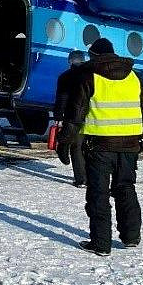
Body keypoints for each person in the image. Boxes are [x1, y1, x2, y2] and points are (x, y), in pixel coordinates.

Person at [58, 38, 143, 257]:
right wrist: (142, 138)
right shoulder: (133, 76)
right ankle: (131, 237)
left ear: (93, 56)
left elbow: (75, 115)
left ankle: (101, 243)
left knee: (98, 194)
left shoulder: (89, 77)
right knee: (125, 188)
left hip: (100, 146)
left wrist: (65, 142)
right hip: (129, 145)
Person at [53, 49, 90, 187]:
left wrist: (58, 115)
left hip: (73, 117)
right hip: (91, 116)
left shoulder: (65, 77)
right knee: (86, 147)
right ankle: (89, 176)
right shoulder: (91, 76)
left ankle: (81, 179)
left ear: (70, 61)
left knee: (76, 146)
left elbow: (62, 98)